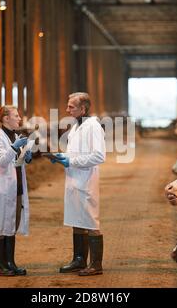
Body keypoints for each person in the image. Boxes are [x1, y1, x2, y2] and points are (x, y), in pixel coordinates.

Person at [52, 92, 106, 276]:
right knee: (76, 220)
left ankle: (96, 264)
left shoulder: (93, 127)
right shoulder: (76, 126)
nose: (67, 110)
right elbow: (75, 152)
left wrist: (72, 162)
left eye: (71, 107)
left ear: (83, 109)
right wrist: (63, 157)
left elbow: (99, 156)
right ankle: (79, 260)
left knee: (91, 221)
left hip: (86, 180)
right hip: (74, 180)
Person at [0, 105, 33, 276]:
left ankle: (10, 263)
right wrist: (14, 148)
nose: (19, 119)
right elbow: (3, 161)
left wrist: (25, 156)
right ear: (6, 118)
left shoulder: (15, 136)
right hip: (2, 188)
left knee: (11, 223)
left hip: (15, 187)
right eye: (16, 116)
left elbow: (15, 162)